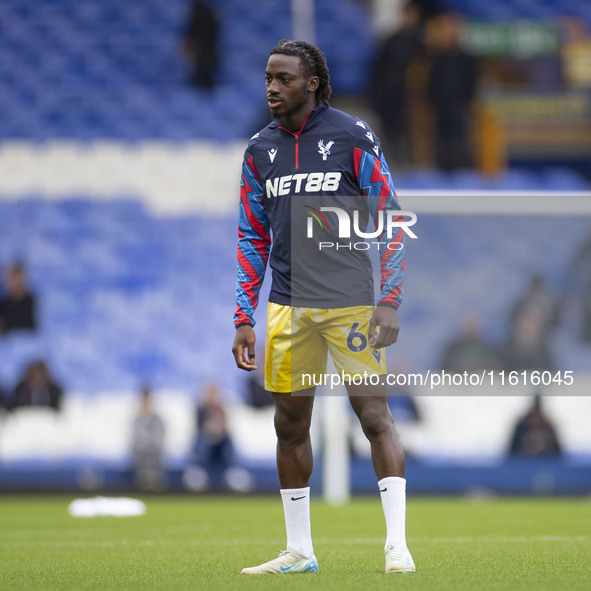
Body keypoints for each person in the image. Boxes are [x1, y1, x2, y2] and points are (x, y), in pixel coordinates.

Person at [232, 40, 414, 575]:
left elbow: (391, 219)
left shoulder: (351, 136)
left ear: (311, 83)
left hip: (350, 305)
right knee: (289, 426)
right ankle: (299, 551)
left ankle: (396, 546)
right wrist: (245, 317)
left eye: (283, 78)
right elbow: (251, 237)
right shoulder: (258, 150)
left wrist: (390, 299)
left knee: (374, 416)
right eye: (268, 77)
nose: (271, 86)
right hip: (288, 309)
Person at [369, 0, 425, 167]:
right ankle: (391, 162)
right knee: (388, 130)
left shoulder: (420, 44)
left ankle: (411, 163)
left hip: (410, 96)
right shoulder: (391, 40)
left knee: (409, 130)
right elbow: (379, 67)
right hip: (388, 94)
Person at [426, 14, 478, 170]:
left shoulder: (467, 58)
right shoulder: (439, 57)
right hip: (441, 104)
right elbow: (433, 80)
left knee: (460, 138)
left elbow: (471, 81)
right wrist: (433, 99)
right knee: (442, 139)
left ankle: (463, 168)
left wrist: (465, 99)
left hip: (459, 105)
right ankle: (442, 168)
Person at [130, 387, 167, 492]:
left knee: (156, 465)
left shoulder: (158, 420)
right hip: (141, 457)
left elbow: (159, 441)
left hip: (154, 457)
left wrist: (149, 445)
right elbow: (136, 442)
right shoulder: (137, 420)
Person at [182, 0, 220, 90]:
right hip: (204, 48)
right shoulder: (200, 13)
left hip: (205, 48)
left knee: (204, 72)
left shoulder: (201, 14)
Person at [0, 263, 37, 334]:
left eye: (19, 281)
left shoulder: (30, 301)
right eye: (13, 280)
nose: (16, 284)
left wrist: (5, 326)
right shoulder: (3, 304)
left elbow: (28, 324)